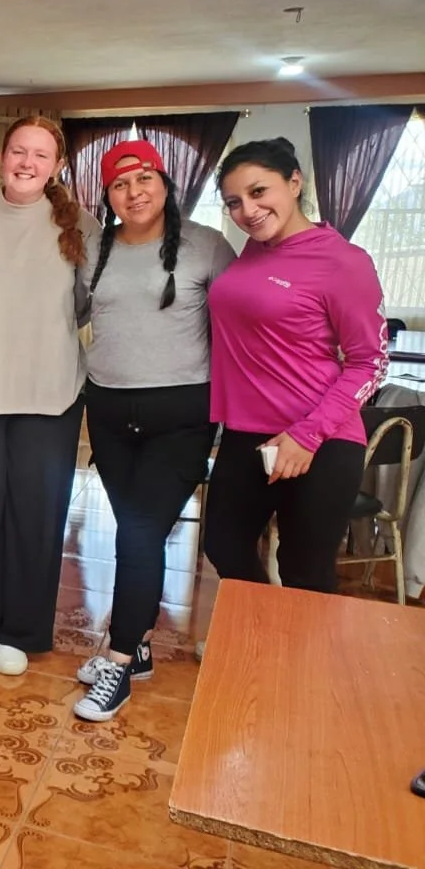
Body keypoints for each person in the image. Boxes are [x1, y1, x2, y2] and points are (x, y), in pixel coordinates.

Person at [72, 140, 235, 722]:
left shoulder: (207, 246)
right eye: (120, 184)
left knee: (139, 534)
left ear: (166, 184)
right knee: (136, 530)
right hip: (110, 410)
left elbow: (241, 325)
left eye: (144, 179)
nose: (134, 192)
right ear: (108, 195)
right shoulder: (95, 247)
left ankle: (118, 659)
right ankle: (138, 646)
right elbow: (75, 313)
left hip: (182, 414)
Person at [0, 115, 98, 676]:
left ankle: (23, 630)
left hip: (50, 397)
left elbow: (90, 305)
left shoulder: (81, 224)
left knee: (37, 517)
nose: (27, 163)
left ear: (57, 166)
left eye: (40, 155)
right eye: (18, 151)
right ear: (2, 156)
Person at [204, 137, 387, 592]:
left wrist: (308, 435)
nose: (248, 210)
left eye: (258, 191)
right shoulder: (254, 250)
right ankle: (266, 632)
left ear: (294, 182)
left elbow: (370, 362)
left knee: (305, 573)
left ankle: (297, 641)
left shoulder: (343, 261)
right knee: (224, 547)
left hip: (319, 439)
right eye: (234, 202)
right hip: (244, 433)